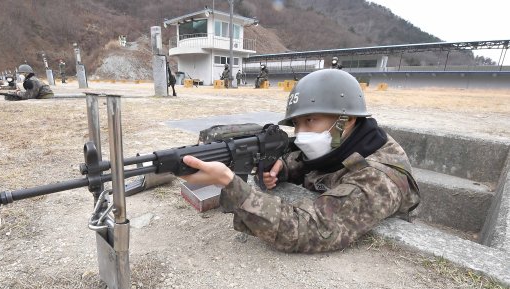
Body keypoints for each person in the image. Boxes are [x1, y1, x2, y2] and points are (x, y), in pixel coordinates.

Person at [180, 69, 420, 253]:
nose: (301, 133)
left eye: (310, 120)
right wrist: (283, 167)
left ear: (346, 120)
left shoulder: (379, 179)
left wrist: (232, 184)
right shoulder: (344, 141)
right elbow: (310, 160)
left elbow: (312, 229)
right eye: (296, 124)